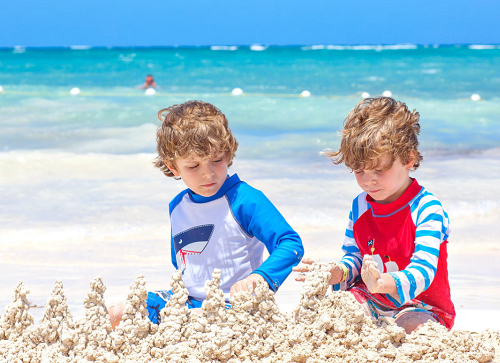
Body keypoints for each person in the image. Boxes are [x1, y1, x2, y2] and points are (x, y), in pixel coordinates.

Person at [109, 100, 304, 328]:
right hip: (188, 303)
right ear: (173, 167)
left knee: (200, 323)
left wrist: (259, 277)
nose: (208, 174)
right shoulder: (177, 206)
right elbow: (181, 262)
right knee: (119, 312)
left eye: (217, 160)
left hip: (234, 308)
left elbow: (290, 243)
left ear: (228, 155)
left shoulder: (245, 199)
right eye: (193, 166)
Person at [294, 97, 455, 334]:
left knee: (408, 326)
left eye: (379, 170)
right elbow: (355, 257)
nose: (369, 180)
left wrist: (383, 283)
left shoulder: (427, 209)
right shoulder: (360, 206)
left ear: (408, 159)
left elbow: (424, 270)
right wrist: (339, 272)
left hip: (422, 305)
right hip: (372, 298)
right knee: (339, 311)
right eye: (359, 170)